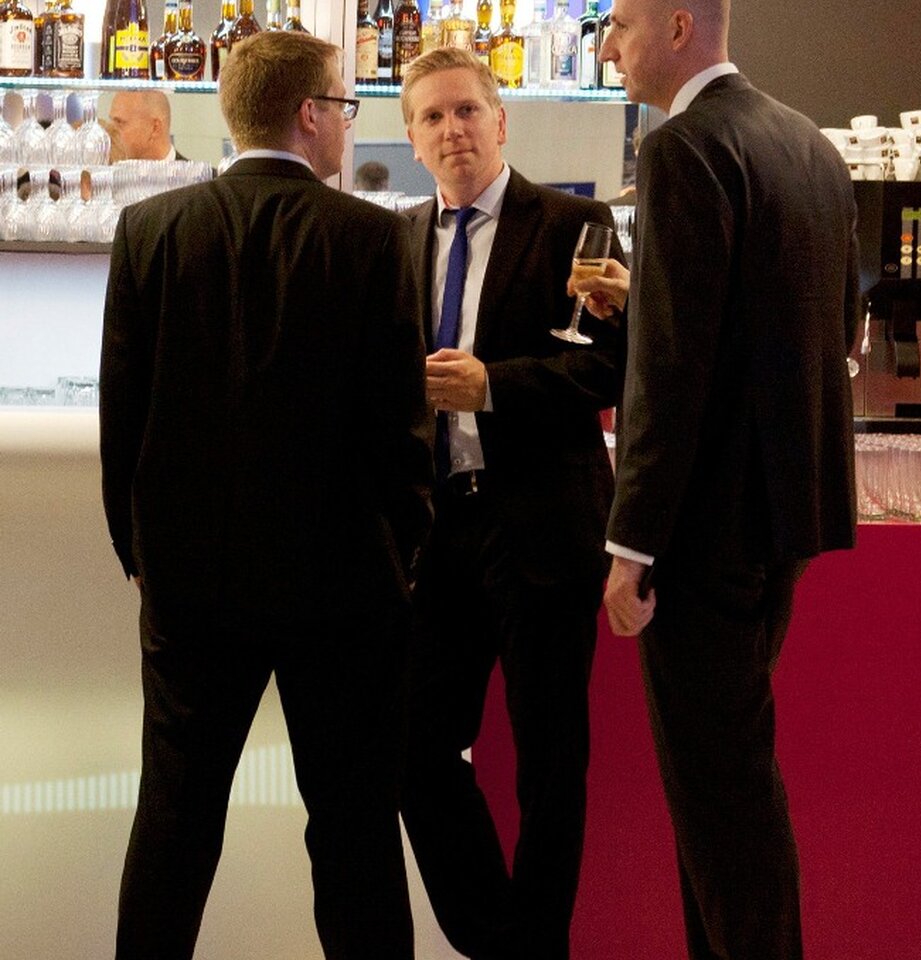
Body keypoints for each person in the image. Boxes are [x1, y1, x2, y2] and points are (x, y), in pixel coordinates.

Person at [99, 31, 433, 960]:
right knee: (354, 828)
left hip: (192, 583)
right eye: (345, 106)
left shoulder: (151, 229)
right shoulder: (371, 236)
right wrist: (404, 551)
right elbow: (400, 427)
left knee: (175, 818)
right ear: (310, 115)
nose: (347, 124)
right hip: (342, 583)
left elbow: (123, 416)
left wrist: (140, 554)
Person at [575, 1, 860, 958]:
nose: (609, 46)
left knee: (724, 806)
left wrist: (630, 544)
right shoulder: (807, 143)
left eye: (621, 24)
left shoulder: (680, 148)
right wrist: (647, 294)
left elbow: (673, 369)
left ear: (678, 29)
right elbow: (829, 327)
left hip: (703, 534)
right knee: (725, 790)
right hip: (786, 518)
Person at [398, 47, 631, 960]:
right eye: (433, 117)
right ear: (412, 139)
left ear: (501, 122)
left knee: (550, 766)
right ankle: (500, 939)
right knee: (414, 749)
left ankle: (536, 947)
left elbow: (611, 369)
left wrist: (492, 385)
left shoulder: (576, 224)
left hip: (541, 525)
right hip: (438, 531)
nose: (452, 130)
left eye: (467, 111)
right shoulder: (398, 238)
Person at [108, 90, 187, 161]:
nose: (109, 133)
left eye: (119, 123)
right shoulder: (107, 171)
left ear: (155, 128)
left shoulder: (191, 172)